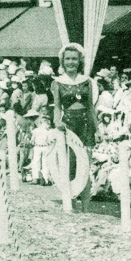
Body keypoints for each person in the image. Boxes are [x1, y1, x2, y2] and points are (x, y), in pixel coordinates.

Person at [51, 43, 99, 212]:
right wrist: (58, 122)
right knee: (70, 165)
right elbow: (57, 107)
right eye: (68, 59)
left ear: (80, 61)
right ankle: (69, 204)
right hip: (68, 125)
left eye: (74, 59)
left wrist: (98, 129)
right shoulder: (57, 83)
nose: (71, 62)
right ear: (63, 61)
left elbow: (91, 107)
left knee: (85, 166)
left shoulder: (88, 82)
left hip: (86, 125)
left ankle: (85, 208)